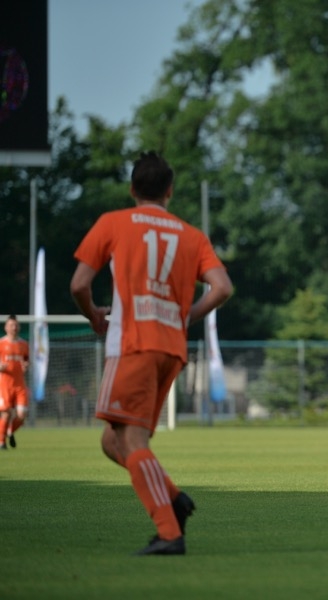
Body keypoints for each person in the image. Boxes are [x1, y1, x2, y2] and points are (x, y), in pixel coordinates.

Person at [70, 152, 233, 554]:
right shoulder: (191, 235)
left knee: (131, 442)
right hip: (171, 349)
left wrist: (93, 315)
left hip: (133, 344)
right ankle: (174, 497)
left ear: (132, 188)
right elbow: (222, 287)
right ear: (170, 191)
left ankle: (169, 532)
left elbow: (78, 285)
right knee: (115, 442)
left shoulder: (113, 223)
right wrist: (186, 317)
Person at [0, 315, 30, 450]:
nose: (14, 327)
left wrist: (26, 365)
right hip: (4, 384)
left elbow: (26, 360)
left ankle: (8, 431)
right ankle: (1, 442)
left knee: (21, 415)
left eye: (16, 325)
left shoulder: (24, 344)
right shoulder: (1, 343)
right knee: (6, 413)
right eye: (11, 325)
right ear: (5, 327)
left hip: (19, 385)